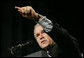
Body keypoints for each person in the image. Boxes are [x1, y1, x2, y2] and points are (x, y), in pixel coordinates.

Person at [15, 6, 82, 57]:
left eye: (44, 32)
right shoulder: (43, 55)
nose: (41, 37)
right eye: (37, 35)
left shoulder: (65, 46)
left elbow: (61, 35)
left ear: (51, 33)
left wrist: (37, 17)